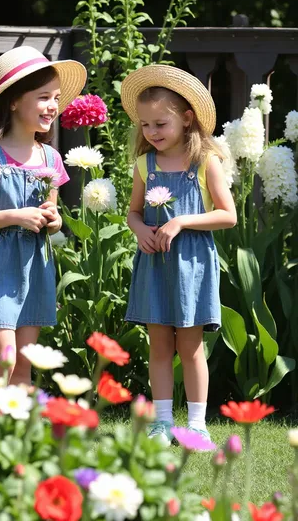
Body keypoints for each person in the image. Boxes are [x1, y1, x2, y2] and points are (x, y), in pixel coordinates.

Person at [0, 45, 87, 409]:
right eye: (43, 97)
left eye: (56, 97)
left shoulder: (50, 158)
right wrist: (14, 216)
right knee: (3, 358)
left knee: (24, 362)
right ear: (12, 102)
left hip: (33, 267)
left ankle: (16, 446)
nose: (53, 106)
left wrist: (52, 220)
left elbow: (50, 213)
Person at [121, 65, 237, 445]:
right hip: (155, 264)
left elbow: (228, 215)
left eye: (160, 124)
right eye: (145, 125)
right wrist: (140, 230)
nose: (152, 133)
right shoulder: (145, 166)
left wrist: (181, 222)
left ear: (187, 119)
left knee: (190, 347)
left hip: (192, 266)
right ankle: (162, 422)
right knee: (159, 345)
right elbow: (133, 212)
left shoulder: (204, 163)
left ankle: (198, 424)